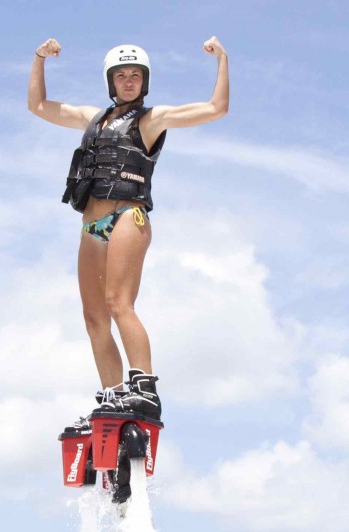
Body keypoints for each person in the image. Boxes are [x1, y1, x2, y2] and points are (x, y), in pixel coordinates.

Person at [28, 36, 229, 424]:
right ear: (111, 81)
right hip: (92, 224)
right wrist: (39, 59)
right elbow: (37, 105)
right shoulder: (92, 118)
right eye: (121, 75)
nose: (129, 80)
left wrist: (222, 60)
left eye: (136, 75)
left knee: (119, 303)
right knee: (93, 317)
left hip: (128, 216)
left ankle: (145, 389)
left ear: (145, 81)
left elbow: (216, 108)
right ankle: (113, 397)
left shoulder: (151, 120)